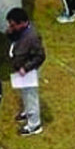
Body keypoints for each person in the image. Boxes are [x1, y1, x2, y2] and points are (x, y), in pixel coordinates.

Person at [5, 7, 45, 136]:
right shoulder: (19, 31)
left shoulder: (32, 37)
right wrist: (10, 32)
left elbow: (40, 56)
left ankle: (34, 124)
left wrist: (26, 68)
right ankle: (27, 112)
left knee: (30, 97)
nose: (11, 27)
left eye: (13, 25)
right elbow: (12, 38)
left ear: (22, 23)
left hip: (29, 72)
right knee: (24, 94)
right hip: (21, 70)